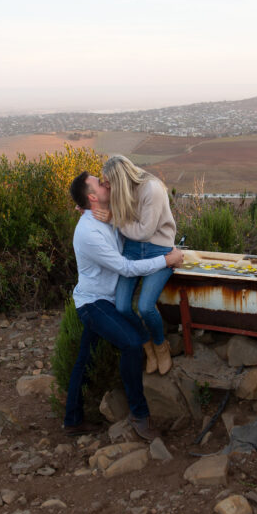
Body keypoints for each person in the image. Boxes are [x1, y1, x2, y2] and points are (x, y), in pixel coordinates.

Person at [64, 170, 184, 440]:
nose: (105, 184)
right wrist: (166, 261)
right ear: (92, 197)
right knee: (131, 344)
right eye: (99, 183)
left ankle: (72, 420)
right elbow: (125, 267)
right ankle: (139, 415)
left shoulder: (103, 214)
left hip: (105, 298)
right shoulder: (88, 232)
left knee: (85, 358)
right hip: (94, 303)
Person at [97, 156, 177, 375]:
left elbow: (144, 232)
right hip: (132, 249)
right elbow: (102, 202)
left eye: (109, 182)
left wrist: (114, 220)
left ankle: (160, 345)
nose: (106, 186)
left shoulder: (152, 189)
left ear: (120, 180)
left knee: (145, 307)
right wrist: (85, 206)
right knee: (122, 307)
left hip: (159, 249)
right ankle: (146, 345)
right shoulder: (121, 190)